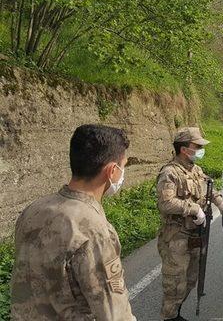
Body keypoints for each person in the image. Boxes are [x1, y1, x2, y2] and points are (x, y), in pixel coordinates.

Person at [10, 124, 136, 320]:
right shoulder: (94, 230)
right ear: (112, 171)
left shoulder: (33, 210)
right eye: (124, 165)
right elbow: (114, 314)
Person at [156, 127, 223, 321]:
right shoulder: (170, 173)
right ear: (184, 149)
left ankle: (176, 312)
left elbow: (209, 187)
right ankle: (169, 317)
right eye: (197, 146)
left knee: (191, 279)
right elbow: (165, 203)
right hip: (176, 237)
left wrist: (220, 202)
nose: (201, 149)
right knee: (175, 283)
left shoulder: (195, 170)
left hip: (195, 235)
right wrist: (193, 209)